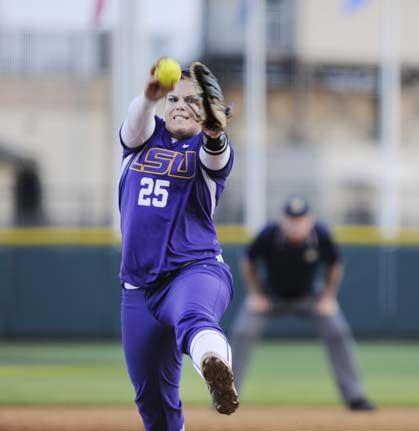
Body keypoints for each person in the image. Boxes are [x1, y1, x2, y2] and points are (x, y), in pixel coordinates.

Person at [118, 59, 238, 431]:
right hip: (138, 289)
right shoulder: (141, 138)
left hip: (195, 271)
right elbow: (135, 122)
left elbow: (215, 154)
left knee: (194, 319)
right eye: (174, 99)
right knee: (152, 401)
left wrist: (215, 134)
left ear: (209, 113)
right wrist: (149, 96)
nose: (180, 105)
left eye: (192, 100)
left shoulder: (206, 152)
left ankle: (216, 368)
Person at [232, 196, 376, 411]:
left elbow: (335, 265)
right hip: (270, 295)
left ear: (310, 220)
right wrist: (256, 294)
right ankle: (226, 395)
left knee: (337, 331)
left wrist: (328, 297)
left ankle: (355, 396)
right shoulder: (270, 234)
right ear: (283, 220)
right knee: (243, 331)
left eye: (300, 219)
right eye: (291, 219)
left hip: (310, 297)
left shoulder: (321, 234)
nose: (296, 224)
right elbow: (247, 261)